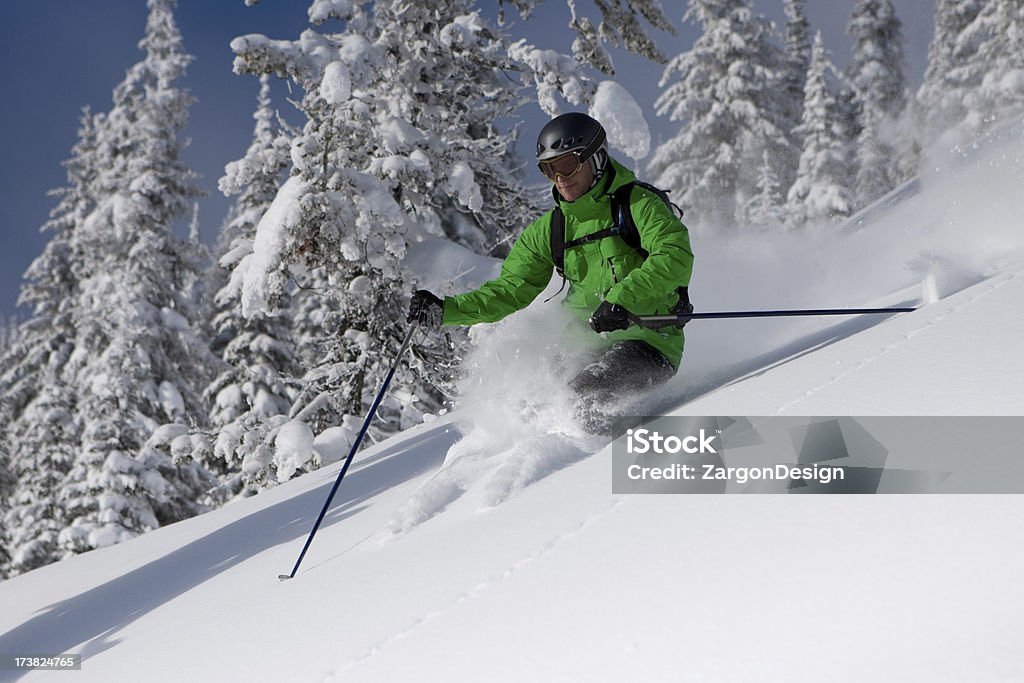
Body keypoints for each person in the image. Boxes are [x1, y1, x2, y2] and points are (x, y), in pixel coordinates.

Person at [408, 112, 694, 434]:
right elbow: (511, 288)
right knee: (530, 407)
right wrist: (446, 310)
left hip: (646, 343)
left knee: (583, 402)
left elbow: (674, 256)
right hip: (581, 346)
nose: (560, 177)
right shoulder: (551, 229)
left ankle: (581, 474)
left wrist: (622, 300)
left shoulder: (639, 206)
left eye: (567, 164)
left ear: (595, 159)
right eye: (549, 168)